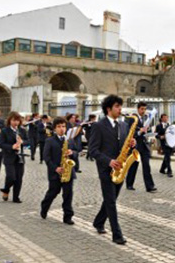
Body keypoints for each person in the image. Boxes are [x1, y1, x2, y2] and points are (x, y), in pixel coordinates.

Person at [89, 95, 135, 245]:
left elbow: (124, 145)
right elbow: (93, 150)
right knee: (111, 201)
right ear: (108, 109)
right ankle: (117, 234)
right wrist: (109, 161)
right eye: (117, 106)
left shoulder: (123, 126)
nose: (120, 109)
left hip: (120, 168)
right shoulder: (98, 126)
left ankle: (98, 222)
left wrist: (132, 144)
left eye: (120, 106)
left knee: (111, 199)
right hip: (105, 169)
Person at [40, 116, 79, 225]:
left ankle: (68, 216)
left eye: (63, 126)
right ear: (54, 128)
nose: (61, 129)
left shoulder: (70, 140)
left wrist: (72, 153)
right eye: (59, 127)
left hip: (68, 172)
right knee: (53, 192)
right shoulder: (50, 140)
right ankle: (44, 207)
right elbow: (46, 157)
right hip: (55, 173)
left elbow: (76, 153)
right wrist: (55, 168)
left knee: (68, 194)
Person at [125, 102, 157, 192]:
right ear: (138, 109)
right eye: (142, 109)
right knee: (133, 166)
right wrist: (140, 131)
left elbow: (144, 132)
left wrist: (149, 134)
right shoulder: (133, 119)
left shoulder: (144, 119)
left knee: (146, 166)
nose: (144, 111)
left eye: (145, 109)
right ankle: (129, 184)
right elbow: (130, 132)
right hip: (136, 146)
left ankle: (149, 186)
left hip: (144, 145)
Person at [0, 112, 28, 203]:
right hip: (9, 157)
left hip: (20, 158)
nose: (16, 123)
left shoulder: (22, 130)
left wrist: (22, 142)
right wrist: (12, 147)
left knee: (19, 178)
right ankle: (6, 189)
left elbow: (29, 141)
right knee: (11, 177)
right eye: (14, 120)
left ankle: (16, 197)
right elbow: (1, 144)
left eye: (18, 121)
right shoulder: (4, 131)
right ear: (10, 120)